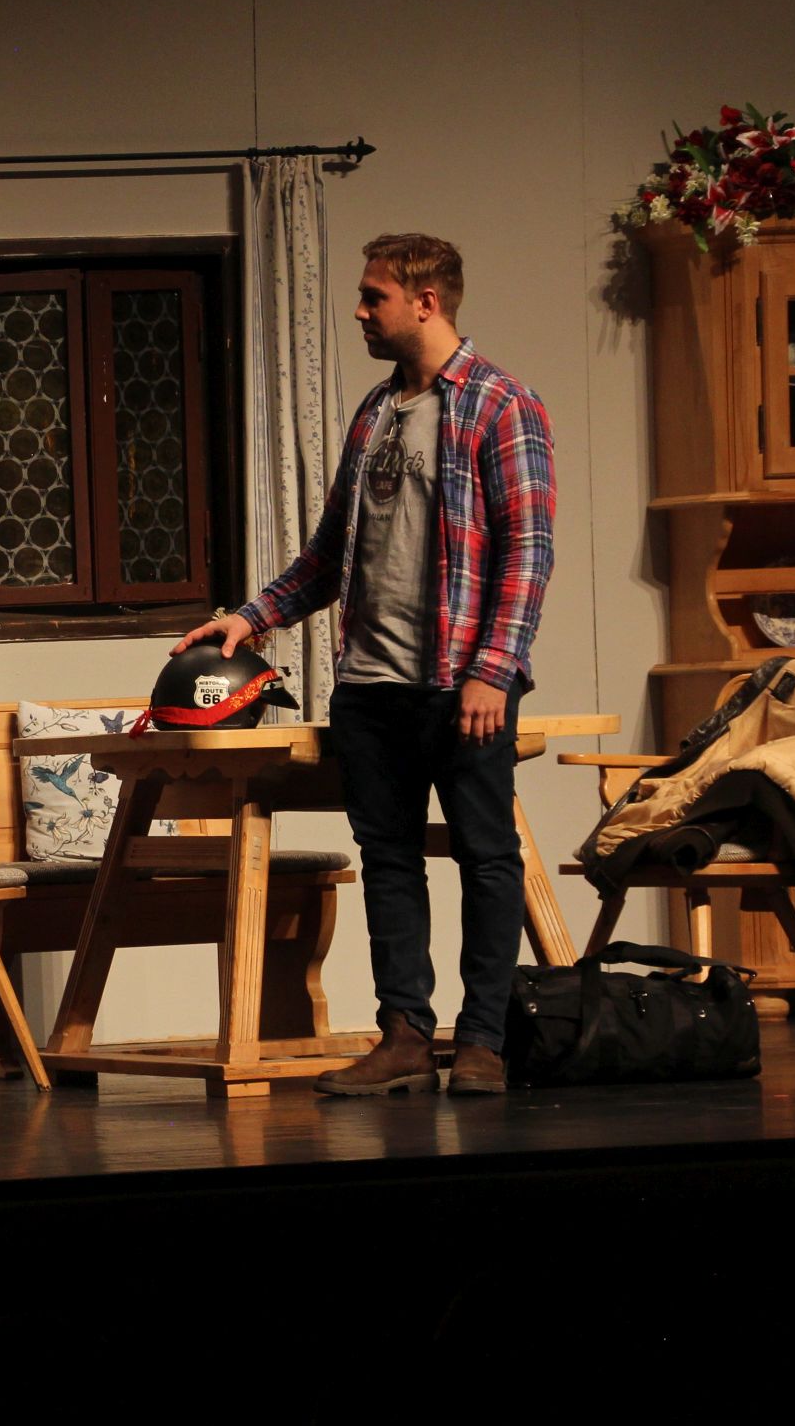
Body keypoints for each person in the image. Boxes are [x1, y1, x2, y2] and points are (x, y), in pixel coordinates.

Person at [173, 233, 555, 1097]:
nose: (360, 311)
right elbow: (328, 554)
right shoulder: (376, 411)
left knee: (487, 856)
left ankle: (484, 1041)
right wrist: (250, 617)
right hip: (371, 686)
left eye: (373, 296)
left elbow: (528, 550)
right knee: (387, 859)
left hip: (461, 683)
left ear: (426, 302)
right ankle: (405, 1035)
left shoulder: (500, 405)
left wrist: (494, 669)